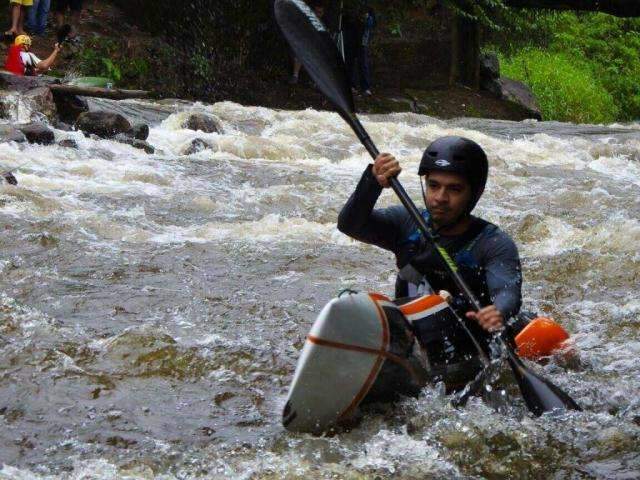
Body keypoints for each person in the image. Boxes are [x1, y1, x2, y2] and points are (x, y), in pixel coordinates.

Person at [337, 136, 524, 355]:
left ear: (475, 193)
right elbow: (350, 225)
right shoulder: (406, 223)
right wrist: (372, 183)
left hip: (472, 343)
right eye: (433, 186)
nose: (440, 198)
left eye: (454, 189)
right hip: (416, 336)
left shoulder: (494, 243)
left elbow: (507, 293)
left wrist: (498, 312)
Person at [289, 2, 325, 85]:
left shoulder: (324, 23)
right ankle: (295, 76)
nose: (318, 14)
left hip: (319, 49)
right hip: (307, 46)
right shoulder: (308, 20)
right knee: (300, 52)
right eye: (317, 12)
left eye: (320, 12)